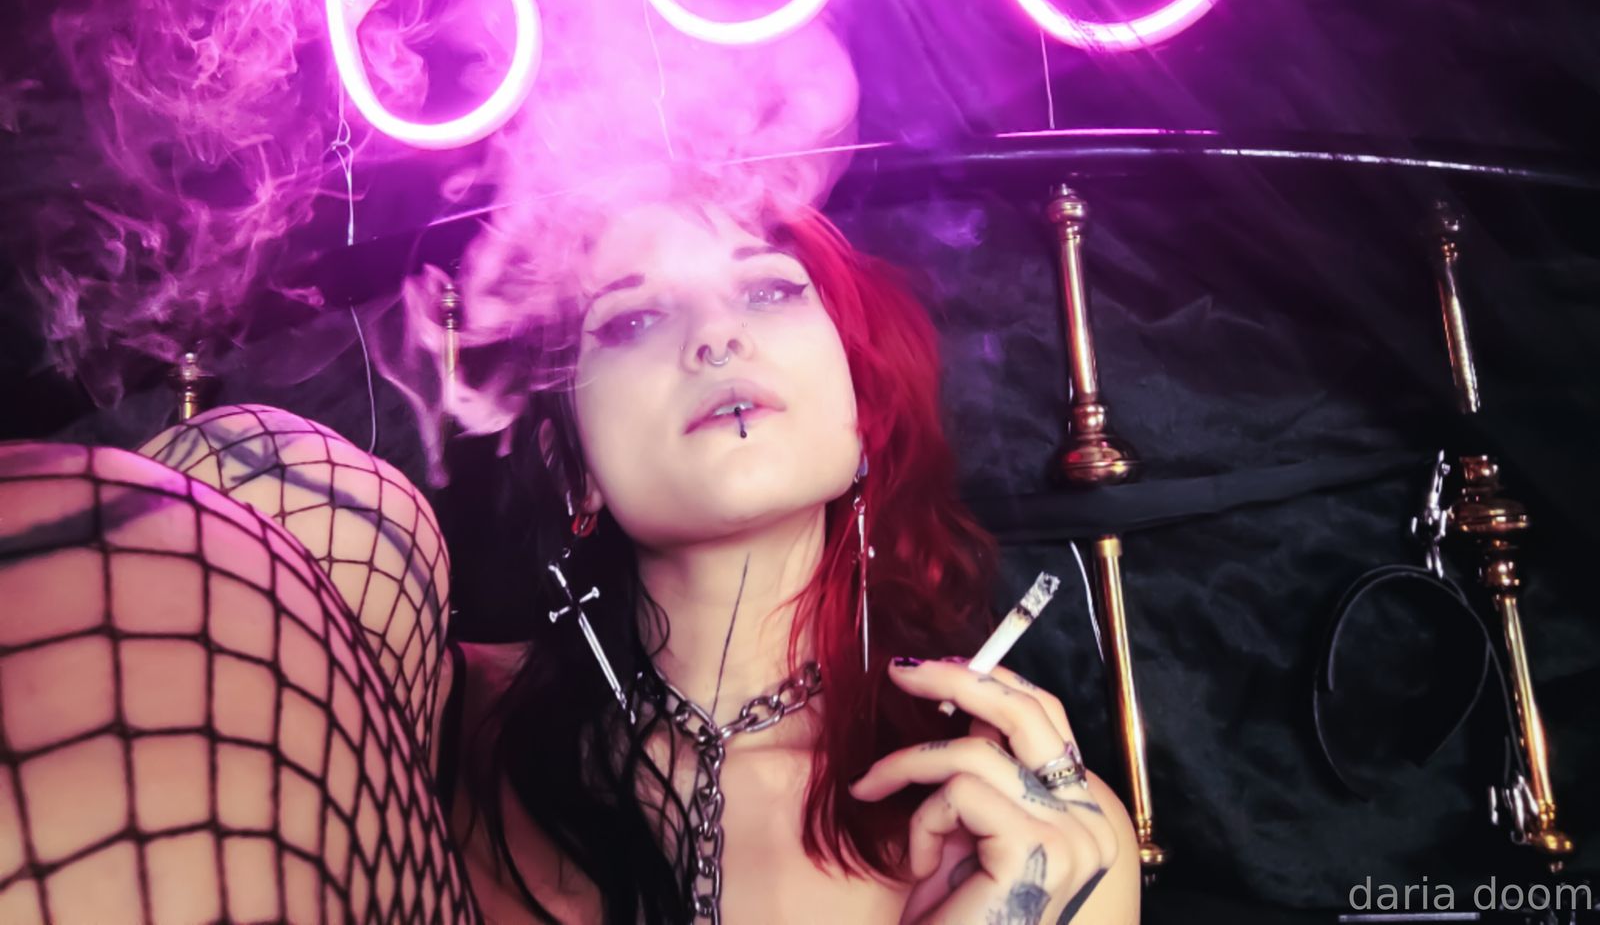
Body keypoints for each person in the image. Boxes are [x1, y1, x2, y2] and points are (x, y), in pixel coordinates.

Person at [0, 169, 1139, 923]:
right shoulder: (433, 713)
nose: (717, 335)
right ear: (574, 464)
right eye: (633, 318)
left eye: (768, 291)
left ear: (864, 422)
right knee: (273, 471)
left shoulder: (1011, 819)